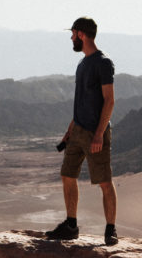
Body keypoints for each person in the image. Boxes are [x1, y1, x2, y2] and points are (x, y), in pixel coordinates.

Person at [46, 17, 118, 246]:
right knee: (67, 175)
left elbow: (109, 101)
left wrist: (98, 134)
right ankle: (71, 225)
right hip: (77, 131)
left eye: (73, 34)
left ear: (82, 35)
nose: (71, 38)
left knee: (104, 182)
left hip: (94, 133)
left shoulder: (103, 63)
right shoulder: (83, 63)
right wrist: (70, 129)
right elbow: (82, 100)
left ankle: (110, 230)